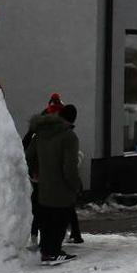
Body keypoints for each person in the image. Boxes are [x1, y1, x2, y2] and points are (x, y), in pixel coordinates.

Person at [26, 103, 84, 264]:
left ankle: (46, 251)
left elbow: (29, 156)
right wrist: (76, 185)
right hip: (62, 189)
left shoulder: (40, 134)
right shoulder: (69, 137)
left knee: (46, 219)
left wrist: (35, 171)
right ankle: (54, 252)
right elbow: (69, 168)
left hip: (44, 186)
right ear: (72, 120)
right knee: (60, 221)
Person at [22, 93, 64, 247]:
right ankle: (44, 240)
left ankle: (38, 237)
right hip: (44, 173)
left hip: (38, 173)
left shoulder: (38, 127)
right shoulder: (47, 130)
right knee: (46, 206)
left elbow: (26, 145)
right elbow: (28, 147)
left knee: (40, 205)